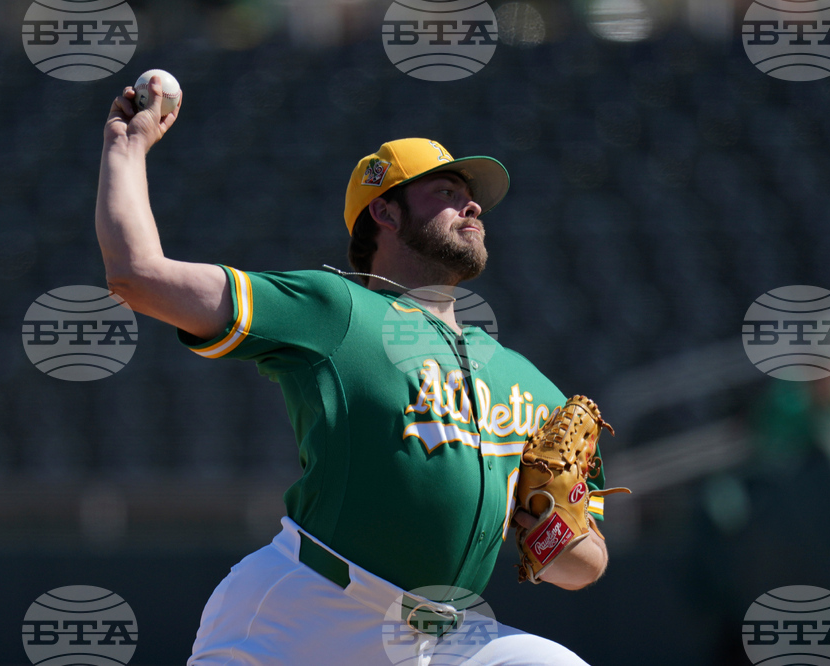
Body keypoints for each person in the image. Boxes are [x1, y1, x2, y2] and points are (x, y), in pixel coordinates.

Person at [96, 77, 616, 665]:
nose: (471, 205)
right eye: (446, 190)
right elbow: (136, 274)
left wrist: (552, 531)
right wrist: (127, 146)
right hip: (307, 614)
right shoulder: (335, 310)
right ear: (384, 210)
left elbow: (583, 567)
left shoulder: (529, 385)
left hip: (441, 636)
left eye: (472, 198)